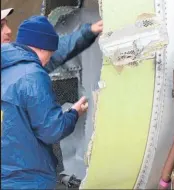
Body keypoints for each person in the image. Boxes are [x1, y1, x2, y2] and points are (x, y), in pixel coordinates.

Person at [1, 15, 102, 189]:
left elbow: (54, 51)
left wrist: (87, 32)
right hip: (28, 178)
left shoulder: (10, 63)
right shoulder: (32, 75)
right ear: (42, 48)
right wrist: (74, 113)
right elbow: (52, 130)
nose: (9, 30)